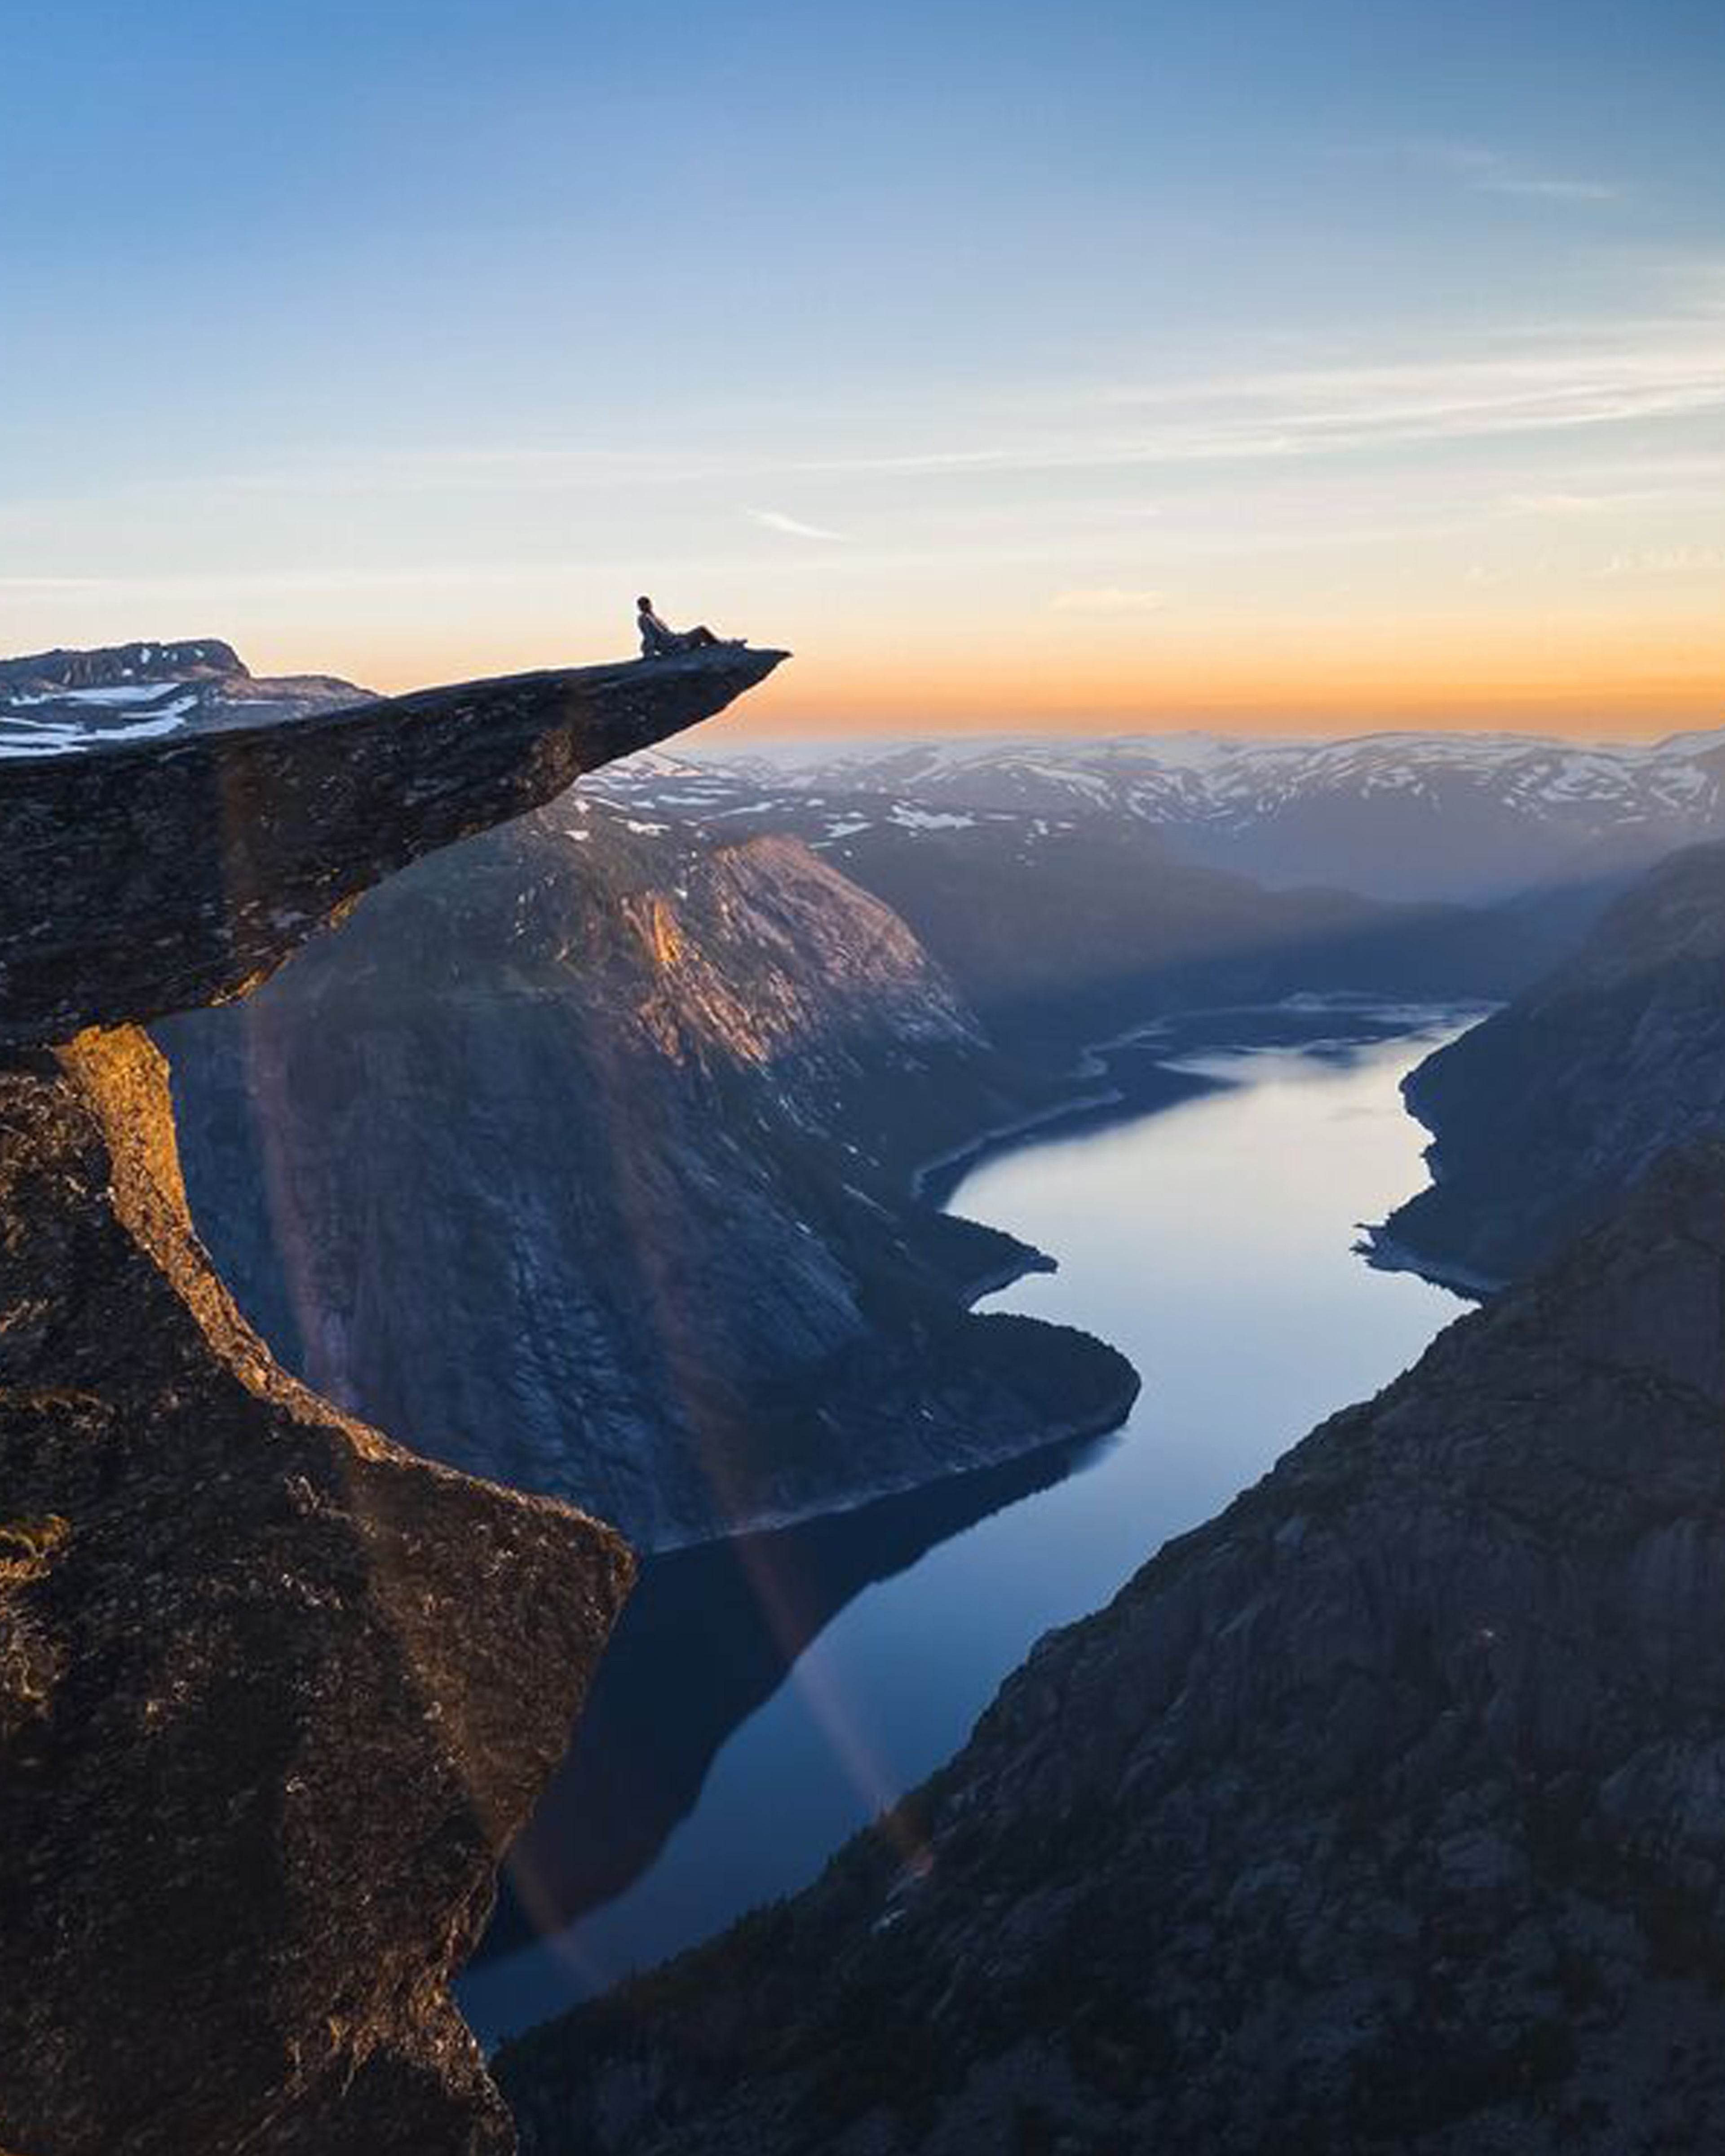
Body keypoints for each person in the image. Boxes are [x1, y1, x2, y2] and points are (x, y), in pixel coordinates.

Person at [637, 595, 722, 657]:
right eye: (642, 605)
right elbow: (649, 637)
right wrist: (650, 655)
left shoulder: (654, 617)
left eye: (645, 604)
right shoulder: (644, 618)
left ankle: (717, 646)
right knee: (701, 631)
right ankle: (719, 647)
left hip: (675, 640)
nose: (644, 606)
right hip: (672, 645)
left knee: (701, 632)